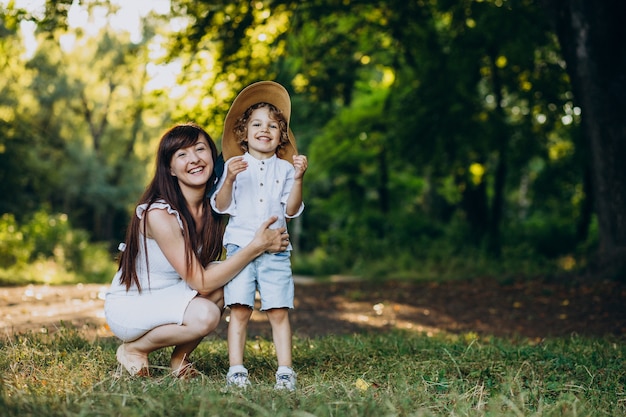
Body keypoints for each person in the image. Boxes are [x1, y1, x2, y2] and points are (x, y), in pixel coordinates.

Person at [104, 122, 290, 379]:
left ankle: (180, 360)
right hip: (134, 305)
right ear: (170, 168)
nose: (194, 159)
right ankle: (134, 349)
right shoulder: (159, 213)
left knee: (230, 278)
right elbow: (201, 282)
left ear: (213, 157)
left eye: (200, 149)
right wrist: (257, 245)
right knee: (205, 315)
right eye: (182, 154)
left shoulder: (215, 206)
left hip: (173, 293)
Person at [210, 81, 308, 391]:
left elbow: (292, 209)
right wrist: (229, 179)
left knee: (278, 311)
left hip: (276, 251)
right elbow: (221, 205)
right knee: (239, 309)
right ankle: (236, 369)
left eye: (273, 126)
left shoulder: (284, 169)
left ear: (282, 136)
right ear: (244, 132)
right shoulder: (235, 166)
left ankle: (285, 371)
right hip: (239, 248)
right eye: (256, 124)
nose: (264, 129)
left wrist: (299, 178)